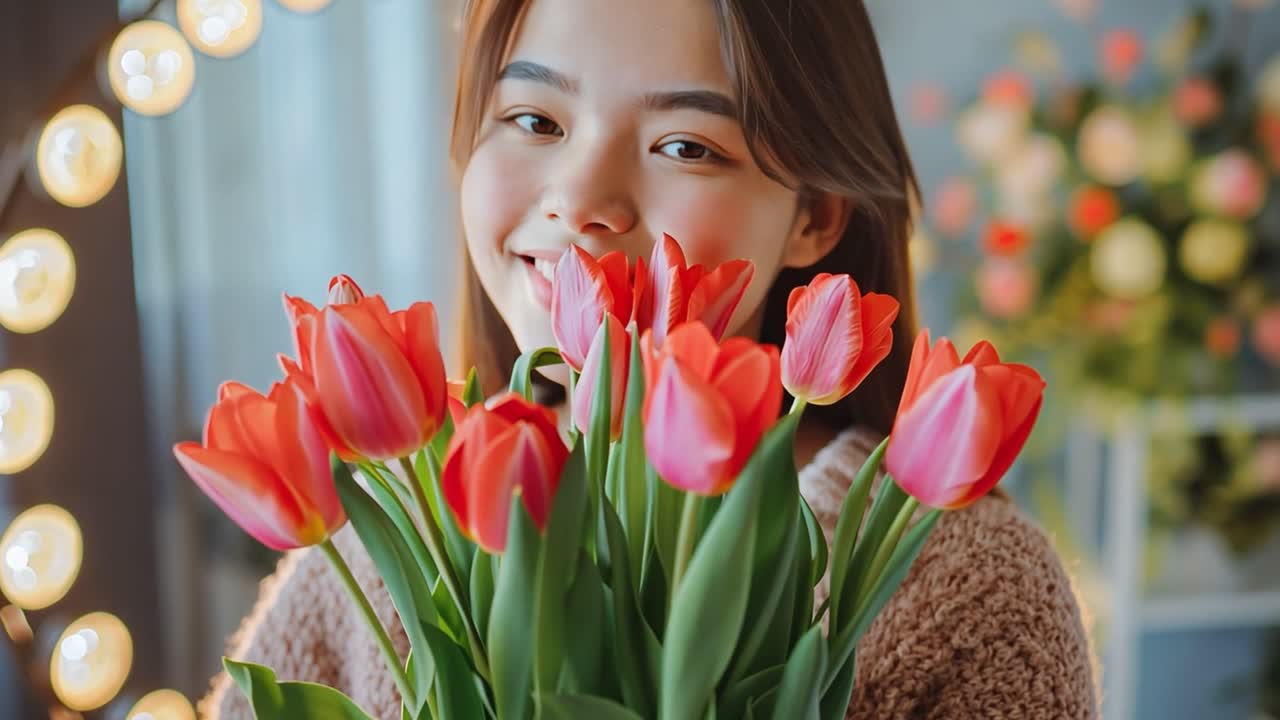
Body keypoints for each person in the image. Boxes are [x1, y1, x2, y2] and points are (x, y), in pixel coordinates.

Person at [200, 0, 1099, 717]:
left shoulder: (970, 588)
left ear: (816, 216)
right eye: (533, 119)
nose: (583, 201)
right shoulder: (387, 537)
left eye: (685, 146)